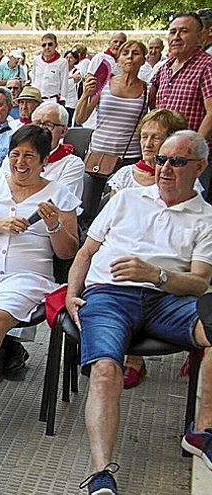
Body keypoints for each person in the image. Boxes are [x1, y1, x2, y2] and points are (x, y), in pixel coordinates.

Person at [66, 131, 212, 494]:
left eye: (177, 162)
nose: (165, 168)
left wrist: (156, 275)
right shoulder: (127, 199)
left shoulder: (206, 217)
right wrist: (70, 294)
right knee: (105, 369)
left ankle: (202, 431)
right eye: (161, 159)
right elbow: (85, 253)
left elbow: (199, 283)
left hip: (168, 298)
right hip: (109, 294)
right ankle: (101, 474)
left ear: (200, 167)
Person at [0, 125, 80, 387]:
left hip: (28, 277)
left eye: (29, 156)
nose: (20, 162)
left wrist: (54, 225)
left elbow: (68, 252)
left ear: (44, 161)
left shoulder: (59, 194)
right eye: (15, 154)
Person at [105, 109, 189, 389]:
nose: (149, 143)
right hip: (126, 247)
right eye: (144, 136)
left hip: (166, 254)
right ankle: (114, 350)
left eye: (157, 137)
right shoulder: (126, 175)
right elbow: (113, 223)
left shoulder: (183, 181)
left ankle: (135, 358)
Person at [150, 12, 212, 173]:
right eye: (173, 32)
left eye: (184, 31)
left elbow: (211, 112)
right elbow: (151, 100)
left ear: (198, 36)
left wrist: (193, 149)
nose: (176, 37)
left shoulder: (207, 66)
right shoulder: (164, 67)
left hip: (189, 161)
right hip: (163, 156)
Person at [76, 40, 149, 168]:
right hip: (98, 154)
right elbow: (80, 118)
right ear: (118, 59)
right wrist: (85, 94)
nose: (130, 57)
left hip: (129, 157)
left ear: (143, 60)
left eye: (135, 53)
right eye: (125, 53)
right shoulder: (104, 83)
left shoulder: (148, 90)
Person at [0, 101, 86, 199]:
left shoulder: (72, 164)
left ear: (63, 131)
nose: (40, 130)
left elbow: (61, 202)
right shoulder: (15, 156)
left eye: (48, 125)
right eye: (36, 124)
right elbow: (1, 190)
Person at [31, 33, 69, 103]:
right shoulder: (36, 60)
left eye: (50, 44)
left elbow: (64, 83)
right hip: (36, 99)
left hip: (52, 100)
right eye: (44, 45)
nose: (47, 47)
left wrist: (63, 100)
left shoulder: (62, 62)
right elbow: (33, 78)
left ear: (56, 45)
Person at [64, 49, 83, 125]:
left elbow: (77, 78)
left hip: (71, 102)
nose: (68, 60)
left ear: (75, 60)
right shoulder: (61, 71)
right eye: (67, 57)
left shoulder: (77, 72)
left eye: (71, 58)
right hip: (61, 100)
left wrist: (70, 77)